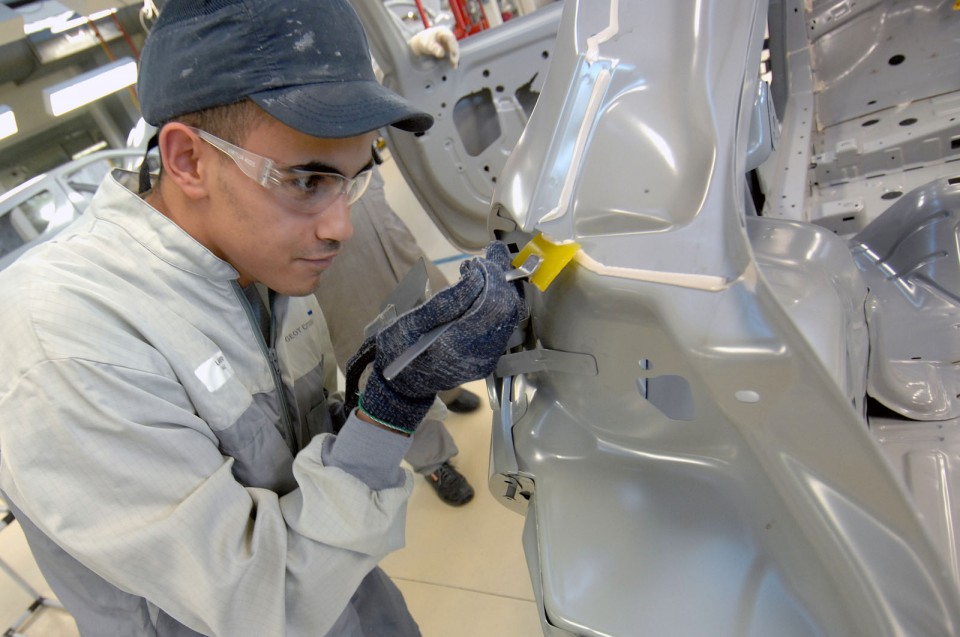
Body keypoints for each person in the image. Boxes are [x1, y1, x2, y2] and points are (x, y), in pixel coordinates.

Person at [0, 1, 523, 636]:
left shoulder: (255, 260)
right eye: (307, 181)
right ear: (189, 160)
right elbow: (260, 603)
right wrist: (392, 411)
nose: (342, 227)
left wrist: (369, 393)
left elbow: (288, 456)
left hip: (350, 601)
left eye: (354, 178)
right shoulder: (65, 339)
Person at [315, 164, 478, 506]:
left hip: (391, 241)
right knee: (389, 373)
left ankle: (448, 392)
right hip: (342, 276)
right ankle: (434, 461)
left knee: (438, 326)